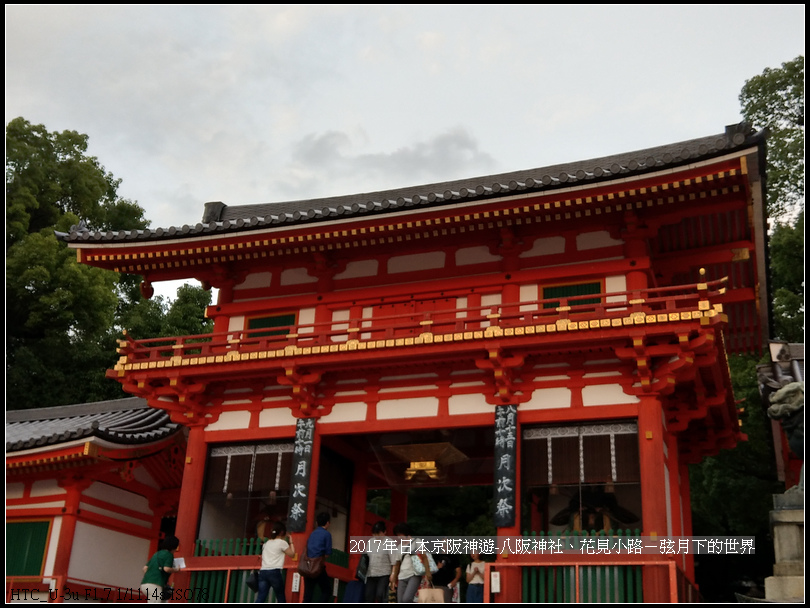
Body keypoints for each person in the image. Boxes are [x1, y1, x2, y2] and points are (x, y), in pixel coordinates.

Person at [390, 522, 430, 603]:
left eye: (400, 534)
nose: (399, 537)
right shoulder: (399, 547)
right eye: (397, 535)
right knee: (400, 601)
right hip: (402, 576)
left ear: (406, 533)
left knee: (407, 599)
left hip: (414, 574)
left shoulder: (416, 541)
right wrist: (394, 580)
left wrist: (428, 572)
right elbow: (397, 564)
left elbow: (424, 557)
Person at [256, 521, 295, 603]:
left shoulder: (266, 543)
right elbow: (292, 554)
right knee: (280, 596)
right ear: (282, 532)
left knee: (261, 597)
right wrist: (291, 541)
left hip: (263, 571)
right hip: (274, 572)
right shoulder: (282, 543)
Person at [140, 535, 180, 603]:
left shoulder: (157, 554)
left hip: (145, 584)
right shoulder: (169, 555)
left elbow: (145, 568)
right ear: (174, 547)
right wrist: (176, 569)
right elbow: (166, 569)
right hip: (155, 585)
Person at [303, 511, 333, 603]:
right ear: (328, 523)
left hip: (307, 567)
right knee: (327, 590)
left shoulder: (312, 533)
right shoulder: (327, 534)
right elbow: (327, 553)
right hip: (318, 567)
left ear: (316, 523)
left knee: (308, 594)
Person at [364, 521, 397, 603]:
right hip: (371, 573)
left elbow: (394, 561)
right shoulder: (370, 541)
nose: (376, 536)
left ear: (384, 532)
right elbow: (366, 556)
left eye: (379, 534)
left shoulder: (390, 542)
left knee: (380, 595)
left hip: (384, 574)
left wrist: (393, 574)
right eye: (374, 534)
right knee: (368, 596)